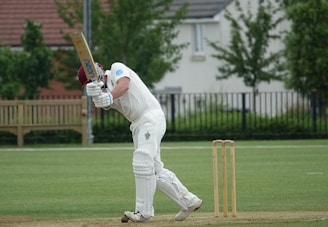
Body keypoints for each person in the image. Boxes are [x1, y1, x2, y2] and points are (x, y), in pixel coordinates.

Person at [77, 62, 202, 222]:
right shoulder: (104, 91)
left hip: (150, 117)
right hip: (138, 124)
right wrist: (97, 96)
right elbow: (106, 104)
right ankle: (189, 201)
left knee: (142, 160)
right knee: (155, 170)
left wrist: (106, 95)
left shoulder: (116, 68)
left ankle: (143, 213)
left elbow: (124, 85)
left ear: (99, 69)